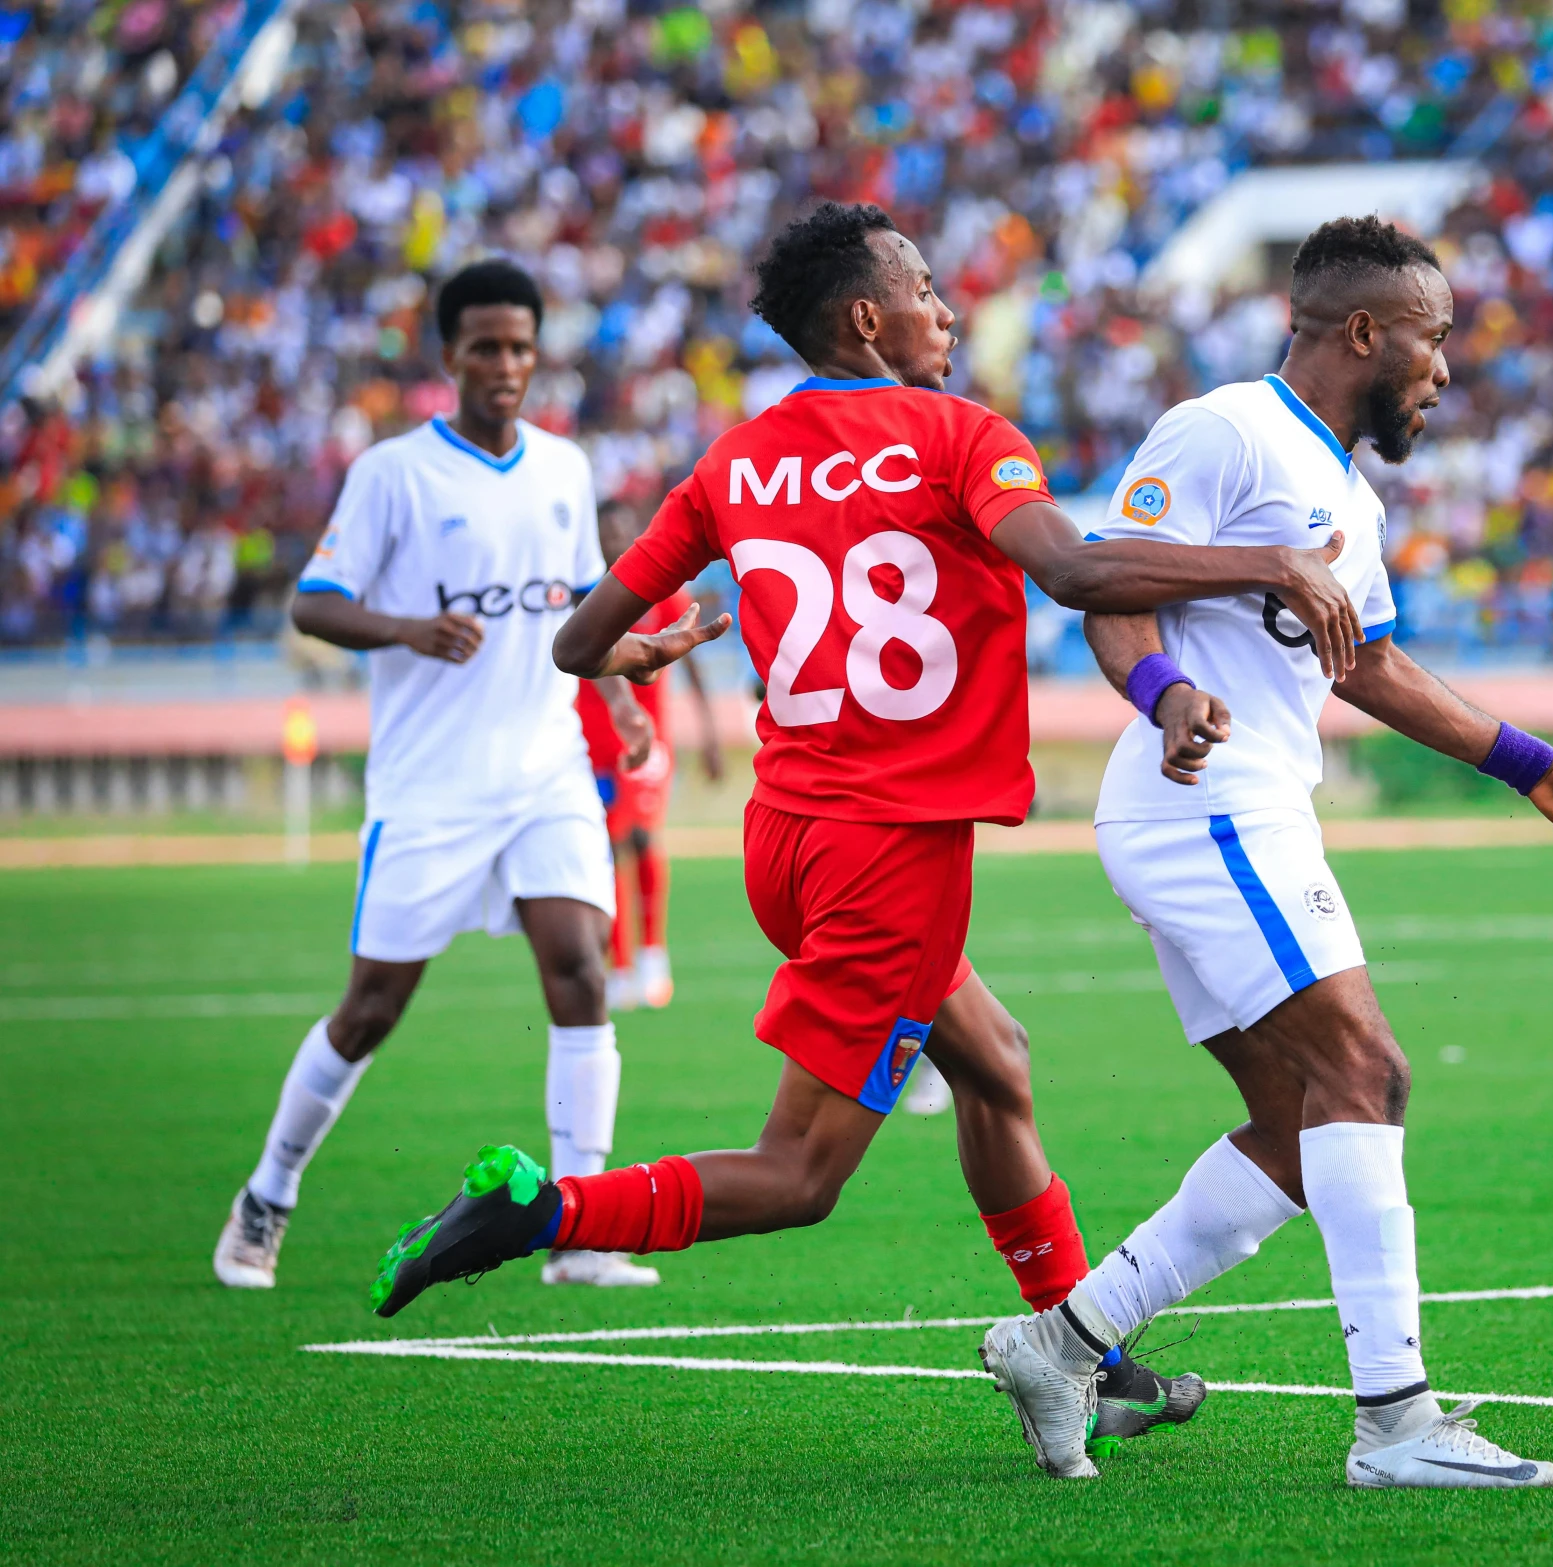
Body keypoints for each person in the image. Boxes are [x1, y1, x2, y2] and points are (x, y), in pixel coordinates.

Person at [364, 203, 1365, 1474]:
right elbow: (1073, 569)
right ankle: (539, 1211)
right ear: (865, 318)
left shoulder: (733, 462)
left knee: (994, 1063)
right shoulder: (960, 439)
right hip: (889, 852)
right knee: (800, 1176)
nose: (946, 311)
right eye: (927, 290)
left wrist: (639, 649)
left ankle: (1088, 1365)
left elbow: (573, 641)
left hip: (784, 838)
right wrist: (1266, 563)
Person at [981, 217, 1553, 1488]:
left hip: (1241, 805)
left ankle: (1061, 1341)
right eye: (1434, 338)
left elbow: (1377, 664)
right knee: (1371, 1068)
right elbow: (1107, 590)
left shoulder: (1351, 490)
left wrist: (1531, 765)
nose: (1444, 370)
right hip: (1204, 799)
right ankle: (1396, 1422)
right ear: (1365, 332)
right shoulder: (1224, 428)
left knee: (1303, 1127)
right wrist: (1169, 693)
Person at [213, 259, 664, 1293]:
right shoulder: (393, 474)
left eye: (520, 347)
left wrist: (626, 703)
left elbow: (587, 609)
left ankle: (580, 1227)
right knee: (371, 1006)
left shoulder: (563, 467)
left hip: (545, 768)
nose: (506, 365)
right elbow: (314, 604)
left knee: (583, 971)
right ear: (448, 355)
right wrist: (408, 628)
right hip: (430, 789)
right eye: (485, 347)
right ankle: (267, 1195)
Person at [575, 500, 727, 1012]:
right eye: (604, 534)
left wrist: (707, 734)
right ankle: (618, 964)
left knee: (638, 835)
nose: (613, 542)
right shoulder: (585, 595)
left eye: (621, 531)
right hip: (591, 739)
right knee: (605, 845)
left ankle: (653, 954)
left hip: (648, 738)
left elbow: (693, 665)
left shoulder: (660, 590)